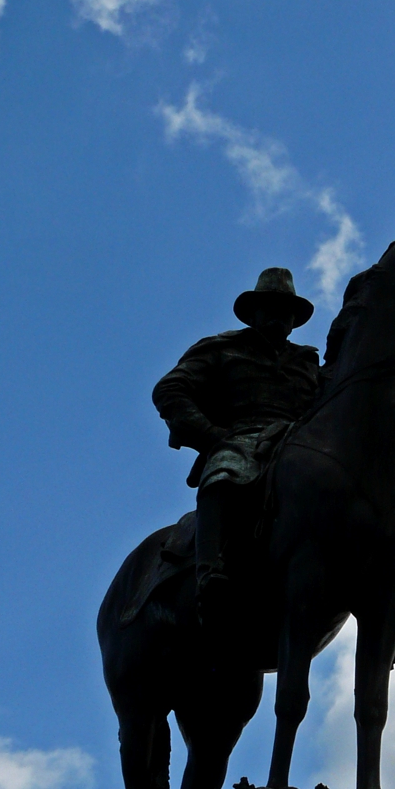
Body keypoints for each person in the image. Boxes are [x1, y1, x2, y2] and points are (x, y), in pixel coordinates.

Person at [152, 268, 319, 626]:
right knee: (225, 470)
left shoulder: (309, 362)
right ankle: (208, 571)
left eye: (287, 310)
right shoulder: (221, 350)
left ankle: (390, 614)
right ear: (253, 313)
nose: (279, 316)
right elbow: (171, 390)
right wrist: (211, 435)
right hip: (243, 437)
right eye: (270, 308)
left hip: (301, 442)